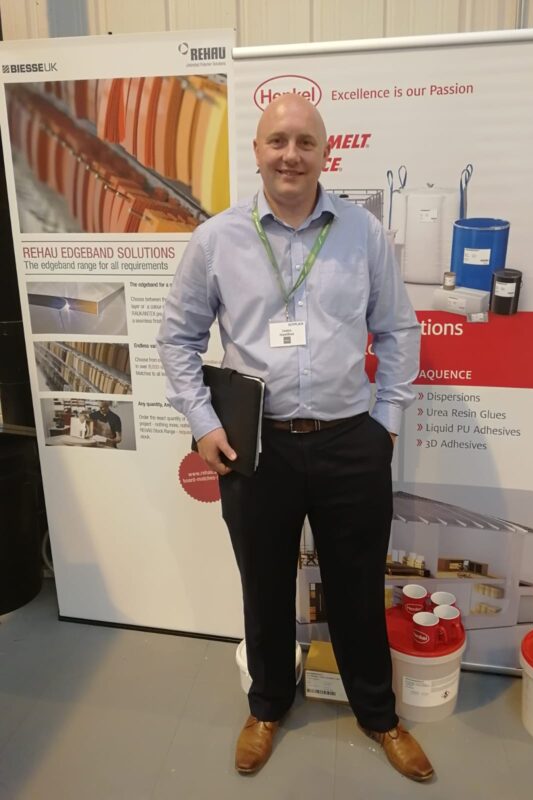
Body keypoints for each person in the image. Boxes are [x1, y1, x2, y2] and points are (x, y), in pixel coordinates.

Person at [157, 94, 432, 782]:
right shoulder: (216, 240)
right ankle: (268, 706)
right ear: (256, 151)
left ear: (324, 153)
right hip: (257, 449)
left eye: (305, 142)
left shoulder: (363, 234)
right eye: (277, 140)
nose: (291, 154)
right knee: (265, 586)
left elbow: (398, 331)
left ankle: (379, 715)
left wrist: (385, 424)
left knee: (357, 587)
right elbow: (177, 338)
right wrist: (203, 423)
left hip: (350, 442)